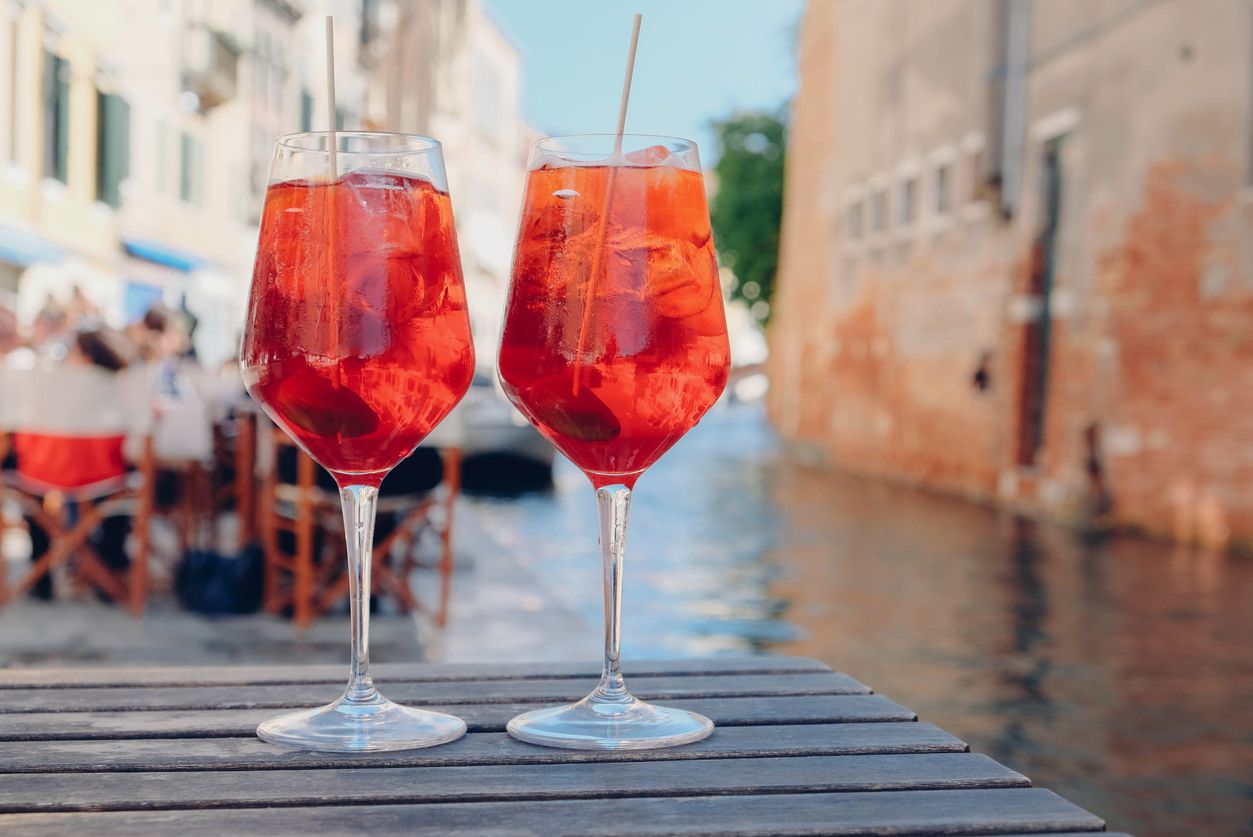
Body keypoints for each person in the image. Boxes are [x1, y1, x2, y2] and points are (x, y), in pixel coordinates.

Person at [1, 327, 150, 599]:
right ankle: (108, 566)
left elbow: (15, 431)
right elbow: (137, 443)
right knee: (112, 504)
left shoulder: (43, 384)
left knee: (29, 494)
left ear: (85, 356)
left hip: (40, 473)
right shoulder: (121, 388)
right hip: (104, 476)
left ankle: (41, 570)